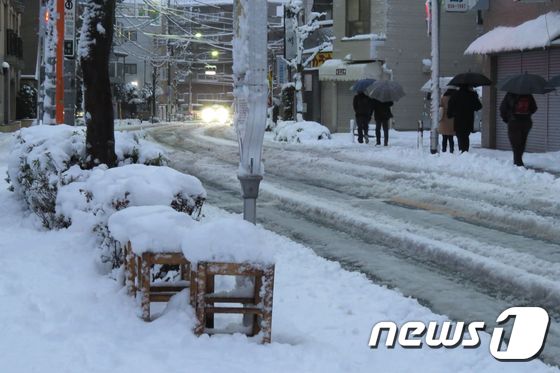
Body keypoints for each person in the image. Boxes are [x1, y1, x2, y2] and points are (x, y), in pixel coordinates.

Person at [499, 92, 537, 167]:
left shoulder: (510, 94)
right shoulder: (528, 94)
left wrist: (506, 119)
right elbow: (534, 108)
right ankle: (519, 160)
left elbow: (502, 108)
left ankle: (518, 162)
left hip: (514, 121)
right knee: (522, 141)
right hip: (526, 121)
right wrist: (527, 113)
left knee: (515, 143)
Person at [447, 85, 482, 152]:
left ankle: (462, 152)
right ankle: (465, 151)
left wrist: (450, 114)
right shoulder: (472, 95)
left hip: (458, 120)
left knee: (460, 136)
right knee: (466, 137)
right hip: (468, 120)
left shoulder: (455, 95)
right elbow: (478, 106)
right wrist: (475, 97)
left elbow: (450, 107)